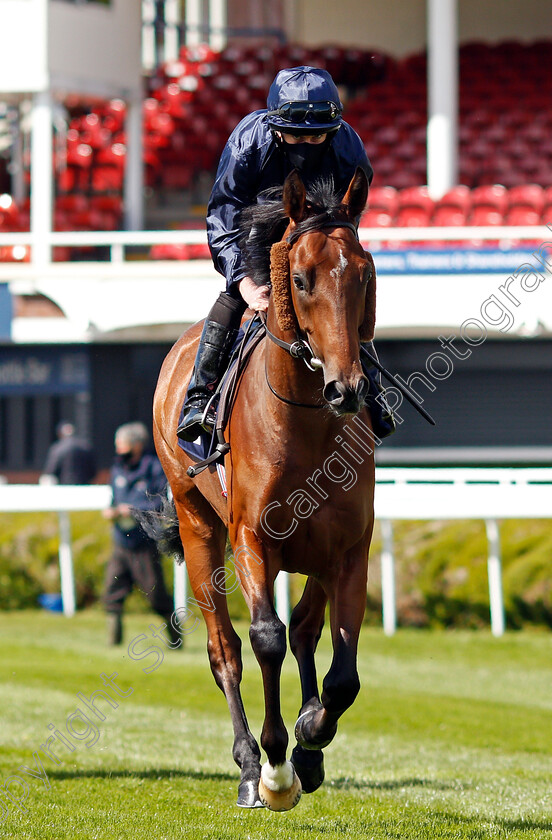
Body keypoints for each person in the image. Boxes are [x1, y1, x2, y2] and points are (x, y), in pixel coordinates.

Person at [177, 64, 394, 443]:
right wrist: (244, 281)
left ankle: (370, 387)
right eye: (295, 137)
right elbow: (223, 213)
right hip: (255, 226)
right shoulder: (249, 141)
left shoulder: (348, 146)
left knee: (338, 292)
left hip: (319, 225)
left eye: (317, 139)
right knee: (231, 299)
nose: (306, 146)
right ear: (275, 127)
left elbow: (349, 212)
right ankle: (201, 395)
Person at [102, 422, 180, 647]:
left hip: (144, 542)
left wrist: (133, 510)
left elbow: (159, 502)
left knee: (156, 596)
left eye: (122, 445)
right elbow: (114, 498)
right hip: (121, 541)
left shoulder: (154, 467)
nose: (119, 451)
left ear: (136, 445)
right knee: (112, 592)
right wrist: (112, 510)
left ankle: (175, 638)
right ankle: (113, 641)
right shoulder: (117, 468)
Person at [41, 421, 97, 485]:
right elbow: (93, 472)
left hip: (64, 487)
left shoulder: (57, 448)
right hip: (83, 487)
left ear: (60, 434)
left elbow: (51, 471)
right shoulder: (86, 447)